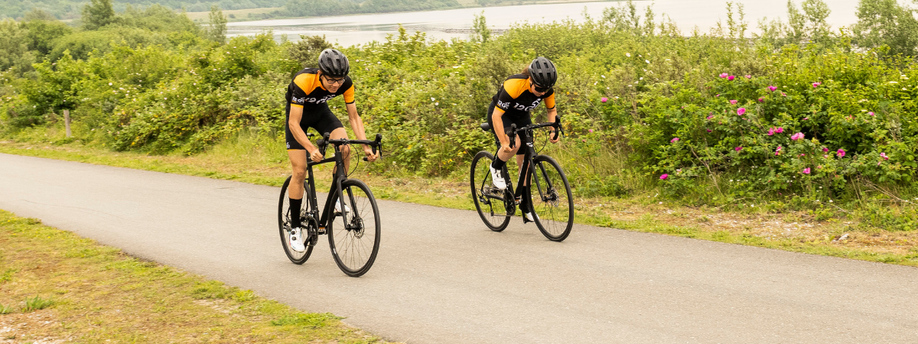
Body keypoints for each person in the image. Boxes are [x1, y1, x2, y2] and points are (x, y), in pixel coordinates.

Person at [285, 48, 378, 252]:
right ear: (320, 74)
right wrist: (310, 148)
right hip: (298, 118)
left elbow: (354, 117)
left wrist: (365, 145)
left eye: (339, 80)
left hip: (321, 114)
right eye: (331, 81)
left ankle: (336, 197)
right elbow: (293, 123)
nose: (336, 85)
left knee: (345, 148)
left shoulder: (346, 83)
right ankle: (295, 229)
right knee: (299, 171)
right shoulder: (304, 81)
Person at [487, 56, 560, 223]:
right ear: (530, 80)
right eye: (539, 89)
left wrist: (553, 130)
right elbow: (496, 115)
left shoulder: (546, 89)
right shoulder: (514, 85)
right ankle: (495, 167)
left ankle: (526, 206)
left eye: (546, 89)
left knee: (526, 164)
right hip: (501, 115)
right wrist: (504, 142)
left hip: (521, 116)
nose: (543, 93)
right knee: (514, 145)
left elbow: (551, 110)